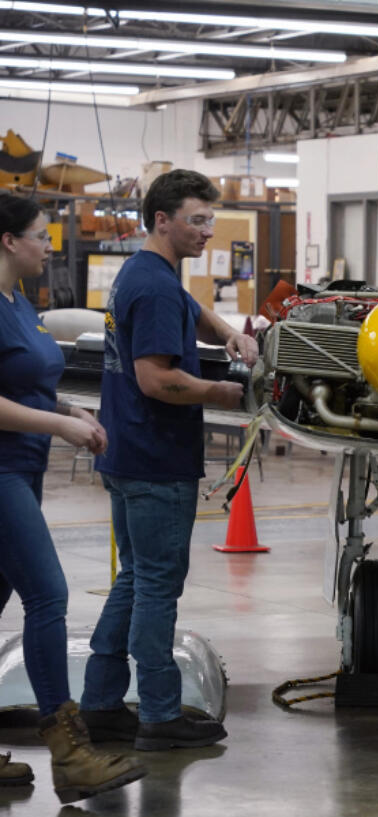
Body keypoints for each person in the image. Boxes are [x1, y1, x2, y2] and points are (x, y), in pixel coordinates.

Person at [79, 170, 257, 751]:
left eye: (211, 218)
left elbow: (188, 307)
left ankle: (102, 705)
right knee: (157, 586)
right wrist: (221, 394)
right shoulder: (154, 286)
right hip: (156, 458)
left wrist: (226, 329)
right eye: (197, 219)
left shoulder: (146, 270)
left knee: (133, 579)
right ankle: (158, 713)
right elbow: (156, 380)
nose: (208, 230)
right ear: (162, 220)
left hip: (127, 453)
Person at [0, 193, 146, 803]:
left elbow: (23, 382)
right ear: (8, 240)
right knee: (48, 595)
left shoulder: (20, 303)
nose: (48, 245)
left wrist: (64, 407)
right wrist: (59, 426)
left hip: (24, 468)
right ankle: (71, 753)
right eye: (40, 235)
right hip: (1, 471)